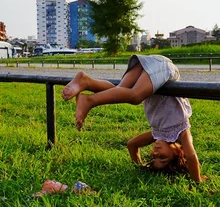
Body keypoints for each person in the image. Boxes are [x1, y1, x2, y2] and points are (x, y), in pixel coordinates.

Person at [62, 54, 207, 183]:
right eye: (162, 158)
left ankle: (86, 81)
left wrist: (138, 165)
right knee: (135, 96)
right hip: (164, 67)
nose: (156, 153)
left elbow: (132, 145)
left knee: (118, 90)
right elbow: (191, 155)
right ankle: (89, 101)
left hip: (146, 67)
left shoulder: (157, 133)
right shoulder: (181, 130)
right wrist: (198, 180)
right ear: (177, 152)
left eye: (154, 158)